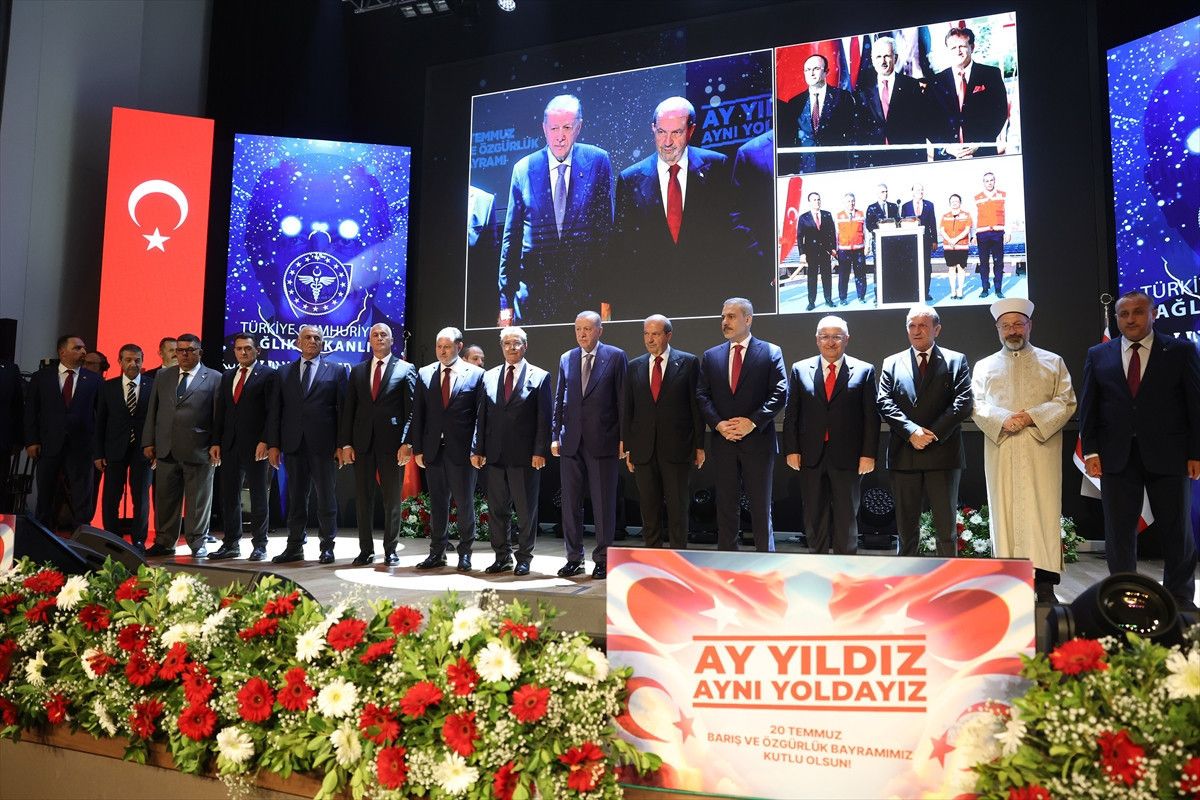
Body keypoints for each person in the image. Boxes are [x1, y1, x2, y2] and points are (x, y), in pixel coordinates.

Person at [1079, 290, 1200, 610]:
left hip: (1170, 456)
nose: (1130, 319)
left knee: (1177, 532)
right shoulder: (1098, 354)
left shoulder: (1180, 350)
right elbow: (1089, 408)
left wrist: (1196, 453)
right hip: (1115, 457)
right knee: (1119, 534)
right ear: (1117, 318)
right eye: (1124, 314)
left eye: (1138, 312)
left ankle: (1180, 600)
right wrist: (1091, 452)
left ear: (1153, 314)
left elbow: (1195, 405)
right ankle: (1123, 597)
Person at [972, 298, 1076, 601]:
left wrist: (1031, 417)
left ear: (1030, 326)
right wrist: (1003, 419)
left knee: (1042, 510)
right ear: (997, 329)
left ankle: (1045, 583)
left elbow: (1066, 401)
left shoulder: (1053, 362)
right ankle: (1009, 582)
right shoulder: (984, 366)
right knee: (1003, 510)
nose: (1012, 331)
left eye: (1018, 324)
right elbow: (976, 404)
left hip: (1039, 448)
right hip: (1002, 447)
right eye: (1006, 326)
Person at [613, 96, 739, 319]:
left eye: (676, 133)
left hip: (707, 302)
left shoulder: (718, 167)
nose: (667, 142)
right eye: (661, 132)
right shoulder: (630, 179)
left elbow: (732, 235)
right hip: (651, 308)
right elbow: (622, 250)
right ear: (653, 129)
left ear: (691, 130)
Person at [499, 94, 614, 325]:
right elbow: (511, 240)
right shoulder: (523, 169)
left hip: (584, 301)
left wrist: (607, 301)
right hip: (533, 301)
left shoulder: (598, 161)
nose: (560, 136)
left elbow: (606, 236)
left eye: (567, 127)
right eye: (553, 128)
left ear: (579, 127)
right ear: (544, 128)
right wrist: (505, 306)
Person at [877, 305, 973, 557]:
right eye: (912, 325)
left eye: (923, 325)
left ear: (937, 329)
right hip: (904, 453)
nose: (917, 331)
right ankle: (907, 576)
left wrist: (931, 434)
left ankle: (947, 578)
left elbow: (963, 403)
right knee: (906, 529)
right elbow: (884, 402)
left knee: (946, 529)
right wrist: (911, 432)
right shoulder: (892, 362)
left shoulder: (956, 360)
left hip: (942, 453)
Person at [697, 298, 788, 552]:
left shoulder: (770, 351)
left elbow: (780, 392)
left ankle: (765, 562)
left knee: (760, 507)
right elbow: (702, 395)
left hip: (757, 441)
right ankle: (728, 562)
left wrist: (752, 422)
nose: (725, 322)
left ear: (748, 319)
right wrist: (718, 424)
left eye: (731, 316)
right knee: (726, 507)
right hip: (724, 442)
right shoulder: (711, 356)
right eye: (723, 317)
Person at [783, 316, 879, 555]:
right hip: (810, 456)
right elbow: (792, 414)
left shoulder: (864, 370)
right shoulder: (800, 369)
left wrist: (868, 454)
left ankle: (845, 567)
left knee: (847, 516)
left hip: (848, 457)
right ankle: (818, 564)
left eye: (837, 336)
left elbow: (871, 417)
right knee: (814, 516)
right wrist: (791, 450)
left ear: (847, 339)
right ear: (817, 340)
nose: (830, 342)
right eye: (825, 336)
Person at [552, 311, 627, 578]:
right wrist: (555, 435)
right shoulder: (567, 358)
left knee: (603, 504)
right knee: (570, 504)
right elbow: (559, 398)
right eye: (578, 329)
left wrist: (624, 439)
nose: (582, 334)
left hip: (603, 441)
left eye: (587, 329)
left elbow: (622, 400)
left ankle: (603, 559)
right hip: (571, 441)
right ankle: (574, 558)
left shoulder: (615, 356)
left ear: (599, 330)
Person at [471, 326, 551, 575]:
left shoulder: (540, 376)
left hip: (525, 457)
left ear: (525, 346)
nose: (511, 348)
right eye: (507, 343)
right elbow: (482, 416)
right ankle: (502, 556)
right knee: (497, 511)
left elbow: (544, 418)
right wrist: (477, 449)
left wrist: (540, 451)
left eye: (516, 343)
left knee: (525, 511)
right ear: (501, 346)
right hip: (494, 455)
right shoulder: (489, 376)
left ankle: (524, 557)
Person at [622, 315, 704, 551]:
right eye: (646, 334)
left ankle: (678, 559)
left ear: (668, 335)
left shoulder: (688, 363)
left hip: (677, 448)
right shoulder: (634, 366)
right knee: (649, 509)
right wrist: (629, 447)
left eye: (655, 334)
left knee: (678, 508)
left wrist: (699, 446)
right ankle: (653, 558)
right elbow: (629, 410)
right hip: (643, 450)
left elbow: (696, 407)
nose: (650, 339)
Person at [268, 325, 347, 564]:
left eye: (317, 338)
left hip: (324, 446)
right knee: (296, 499)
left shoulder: (336, 371)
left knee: (326, 499)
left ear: (322, 343)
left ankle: (327, 547)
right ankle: (294, 546)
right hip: (293, 445)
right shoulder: (283, 372)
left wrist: (341, 445)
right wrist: (274, 444)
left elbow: (343, 411)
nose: (312, 341)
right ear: (298, 342)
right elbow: (276, 411)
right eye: (308, 337)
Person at [339, 323, 416, 567]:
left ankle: (390, 550)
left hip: (393, 445)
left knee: (392, 500)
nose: (379, 338)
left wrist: (407, 442)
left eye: (384, 335)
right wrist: (346, 444)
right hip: (362, 444)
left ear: (392, 340)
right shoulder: (358, 371)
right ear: (370, 340)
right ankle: (366, 550)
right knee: (363, 499)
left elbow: (411, 411)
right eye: (375, 334)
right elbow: (349, 410)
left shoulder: (405, 368)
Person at [409, 327, 485, 571]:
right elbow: (418, 414)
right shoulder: (425, 373)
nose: (442, 351)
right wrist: (418, 449)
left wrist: (477, 449)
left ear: (459, 347)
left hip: (463, 452)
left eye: (447, 347)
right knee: (438, 505)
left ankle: (465, 554)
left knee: (464, 504)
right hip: (433, 451)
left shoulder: (476, 374)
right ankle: (437, 553)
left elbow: (480, 417)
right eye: (439, 347)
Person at [142, 333, 220, 557]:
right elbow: (153, 410)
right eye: (180, 350)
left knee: (198, 501)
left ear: (199, 352)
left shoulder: (214, 377)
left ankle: (197, 542)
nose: (184, 354)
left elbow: (218, 416)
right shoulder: (163, 375)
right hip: (166, 448)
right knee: (165, 499)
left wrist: (216, 443)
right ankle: (165, 542)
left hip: (199, 448)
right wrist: (148, 441)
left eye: (189, 350)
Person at [208, 334, 278, 562]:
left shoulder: (268, 375)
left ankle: (260, 545)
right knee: (229, 496)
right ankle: (231, 544)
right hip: (229, 446)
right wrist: (216, 442)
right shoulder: (228, 376)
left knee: (258, 496)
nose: (243, 352)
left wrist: (266, 441)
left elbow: (272, 413)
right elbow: (221, 412)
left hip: (257, 446)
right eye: (239, 349)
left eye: (248, 348)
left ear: (257, 350)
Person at [23, 335, 101, 529]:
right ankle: (43, 535)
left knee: (82, 495)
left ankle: (83, 535)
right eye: (77, 348)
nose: (83, 351)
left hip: (81, 447)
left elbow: (100, 416)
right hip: (48, 445)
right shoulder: (42, 377)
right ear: (62, 352)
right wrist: (31, 441)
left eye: (83, 348)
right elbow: (31, 411)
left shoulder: (94, 379)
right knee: (45, 495)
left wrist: (98, 447)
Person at [93, 344, 153, 550]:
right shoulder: (108, 387)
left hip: (143, 449)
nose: (133, 364)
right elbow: (100, 422)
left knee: (141, 497)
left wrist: (154, 447)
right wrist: (98, 453)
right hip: (114, 448)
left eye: (137, 360)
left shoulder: (152, 385)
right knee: (111, 496)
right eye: (128, 360)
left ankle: (139, 540)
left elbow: (157, 420)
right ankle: (112, 538)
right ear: (119, 361)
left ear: (142, 361)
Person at [931, 26, 1009, 160]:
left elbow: (1000, 113)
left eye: (962, 46)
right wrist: (947, 147)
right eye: (953, 48)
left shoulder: (991, 74)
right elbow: (930, 120)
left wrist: (979, 143)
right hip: (947, 156)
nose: (958, 51)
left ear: (972, 47)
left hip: (982, 153)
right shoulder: (936, 81)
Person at [854, 35, 930, 166]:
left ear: (895, 58)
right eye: (878, 57)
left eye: (887, 56)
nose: (882, 61)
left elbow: (920, 125)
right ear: (872, 59)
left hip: (905, 157)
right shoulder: (863, 89)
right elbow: (860, 129)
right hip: (874, 159)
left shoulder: (911, 85)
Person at [777, 53, 857, 174]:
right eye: (808, 70)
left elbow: (852, 132)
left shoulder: (842, 97)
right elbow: (790, 137)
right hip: (805, 167)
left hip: (836, 165)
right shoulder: (795, 102)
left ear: (826, 72)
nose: (811, 73)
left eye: (816, 69)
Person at [798, 192, 837, 310]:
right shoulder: (804, 217)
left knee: (827, 276)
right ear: (810, 202)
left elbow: (832, 233)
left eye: (818, 199)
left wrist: (833, 249)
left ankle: (828, 299)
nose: (817, 202)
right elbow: (800, 237)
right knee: (812, 278)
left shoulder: (827, 215)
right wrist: (802, 253)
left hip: (825, 251)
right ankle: (811, 302)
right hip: (811, 252)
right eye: (814, 200)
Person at [901, 184, 937, 301]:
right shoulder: (905, 206)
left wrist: (935, 240)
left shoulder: (929, 205)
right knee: (911, 267)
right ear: (912, 192)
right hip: (910, 242)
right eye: (917, 190)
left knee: (926, 267)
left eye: (921, 190)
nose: (920, 192)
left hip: (926, 241)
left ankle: (926, 292)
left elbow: (933, 223)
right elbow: (902, 224)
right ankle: (913, 292)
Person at [975, 172, 1008, 298]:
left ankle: (998, 289)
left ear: (995, 181)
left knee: (998, 263)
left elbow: (1008, 213)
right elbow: (974, 215)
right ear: (983, 183)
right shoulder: (977, 197)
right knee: (983, 263)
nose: (989, 183)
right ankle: (985, 288)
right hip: (982, 234)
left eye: (991, 180)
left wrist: (1008, 231)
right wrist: (973, 235)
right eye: (987, 181)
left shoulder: (1002, 195)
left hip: (997, 234)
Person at [835, 193, 867, 305]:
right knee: (844, 275)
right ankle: (843, 298)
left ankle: (861, 296)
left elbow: (865, 231)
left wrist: (867, 246)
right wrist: (835, 250)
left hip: (859, 249)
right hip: (844, 250)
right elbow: (836, 234)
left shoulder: (860, 214)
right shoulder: (839, 216)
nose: (851, 203)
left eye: (853, 201)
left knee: (860, 274)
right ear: (844, 202)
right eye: (848, 201)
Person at [940, 194, 973, 300]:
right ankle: (953, 290)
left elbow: (967, 230)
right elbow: (942, 230)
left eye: (957, 201)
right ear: (950, 203)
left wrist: (956, 240)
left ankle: (960, 290)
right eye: (952, 201)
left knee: (961, 268)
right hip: (949, 247)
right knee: (951, 268)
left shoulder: (966, 215)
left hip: (962, 246)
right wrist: (950, 240)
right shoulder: (945, 216)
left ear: (960, 202)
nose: (954, 203)